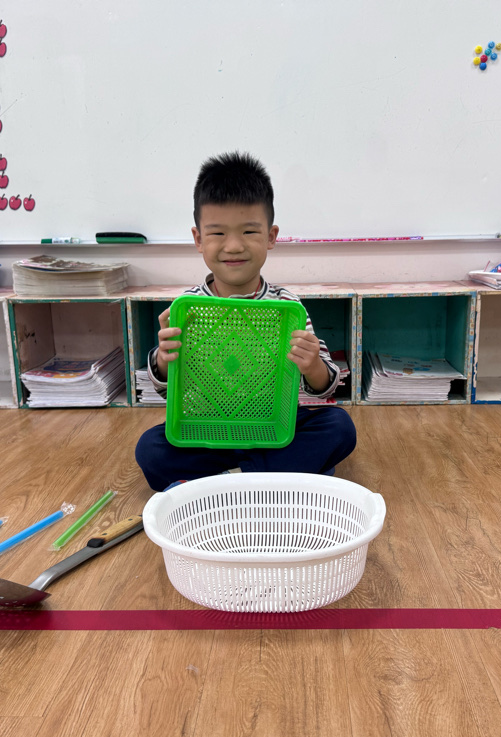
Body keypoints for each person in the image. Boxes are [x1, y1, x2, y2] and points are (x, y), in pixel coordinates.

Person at [135, 152, 356, 491]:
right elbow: (165, 390)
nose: (234, 246)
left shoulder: (286, 306)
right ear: (199, 239)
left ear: (271, 236)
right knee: (150, 450)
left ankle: (226, 482)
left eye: (249, 231)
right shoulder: (187, 308)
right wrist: (164, 360)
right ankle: (273, 476)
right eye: (217, 233)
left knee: (339, 427)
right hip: (206, 428)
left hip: (276, 427)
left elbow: (326, 386)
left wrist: (312, 364)